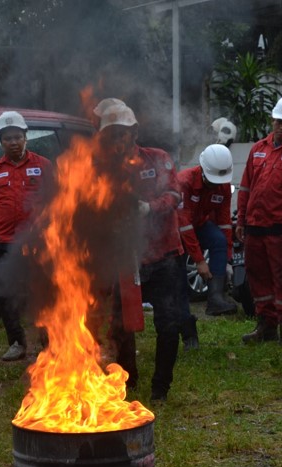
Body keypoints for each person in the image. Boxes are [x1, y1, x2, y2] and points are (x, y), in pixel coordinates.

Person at [92, 103, 185, 402]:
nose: (119, 140)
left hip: (164, 256)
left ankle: (161, 387)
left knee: (168, 324)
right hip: (126, 259)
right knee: (120, 326)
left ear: (134, 132)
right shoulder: (101, 168)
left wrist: (148, 208)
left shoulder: (158, 159)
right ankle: (127, 381)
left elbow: (173, 195)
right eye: (113, 134)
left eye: (124, 133)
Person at [0, 110, 53, 361]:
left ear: (25, 137)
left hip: (34, 242)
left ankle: (48, 344)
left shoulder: (43, 166)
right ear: (0, 142)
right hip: (0, 243)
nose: (13, 142)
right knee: (5, 295)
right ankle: (17, 343)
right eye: (7, 138)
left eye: (17, 136)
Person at [236, 95, 282, 346]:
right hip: (254, 227)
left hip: (280, 229)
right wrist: (241, 220)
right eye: (279, 122)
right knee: (257, 277)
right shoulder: (258, 149)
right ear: (272, 119)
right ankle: (265, 325)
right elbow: (246, 186)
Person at [177, 144, 238, 316]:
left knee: (218, 240)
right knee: (176, 264)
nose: (215, 185)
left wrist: (227, 257)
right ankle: (178, 306)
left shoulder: (224, 185)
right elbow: (184, 224)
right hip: (175, 229)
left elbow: (224, 221)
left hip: (198, 224)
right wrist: (199, 261)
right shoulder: (185, 182)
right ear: (203, 169)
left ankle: (215, 299)